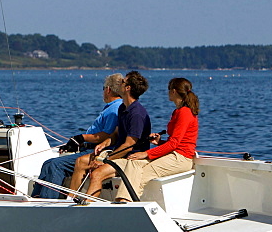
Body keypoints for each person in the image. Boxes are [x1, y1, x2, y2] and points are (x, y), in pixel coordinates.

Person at [30, 74, 126, 199]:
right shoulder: (115, 107)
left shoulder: (114, 109)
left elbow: (105, 135)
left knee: (55, 165)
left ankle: (48, 201)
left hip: (97, 150)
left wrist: (81, 138)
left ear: (108, 89)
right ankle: (36, 198)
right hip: (89, 148)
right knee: (47, 163)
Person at [111, 77, 199, 203]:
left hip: (180, 158)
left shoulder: (184, 112)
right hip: (172, 154)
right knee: (133, 162)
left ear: (173, 91)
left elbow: (175, 144)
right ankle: (124, 199)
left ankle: (126, 202)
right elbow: (175, 142)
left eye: (169, 90)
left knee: (143, 173)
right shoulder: (178, 111)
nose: (168, 92)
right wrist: (160, 142)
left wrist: (146, 153)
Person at [72, 70, 153, 199]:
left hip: (130, 159)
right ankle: (70, 199)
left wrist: (106, 161)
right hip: (118, 154)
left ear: (127, 88)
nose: (119, 83)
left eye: (123, 81)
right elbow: (116, 133)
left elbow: (129, 145)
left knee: (97, 173)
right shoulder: (123, 108)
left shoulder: (136, 113)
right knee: (80, 161)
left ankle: (86, 205)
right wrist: (105, 143)